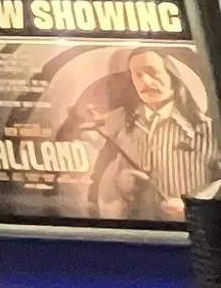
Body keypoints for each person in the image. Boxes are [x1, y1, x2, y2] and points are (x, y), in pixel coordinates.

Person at [83, 46, 211, 223]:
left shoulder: (207, 129)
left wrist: (193, 207)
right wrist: (120, 185)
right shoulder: (116, 123)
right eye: (138, 75)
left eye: (153, 72)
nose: (146, 82)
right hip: (133, 233)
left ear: (173, 77)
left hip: (193, 235)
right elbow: (95, 184)